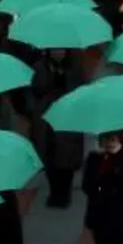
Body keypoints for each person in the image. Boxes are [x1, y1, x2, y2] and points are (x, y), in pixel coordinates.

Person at [31, 48, 87, 206]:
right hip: (46, 117)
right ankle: (55, 191)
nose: (58, 53)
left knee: (66, 156)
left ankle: (64, 192)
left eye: (61, 50)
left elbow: (80, 89)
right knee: (49, 154)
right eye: (55, 50)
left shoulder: (74, 68)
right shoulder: (40, 67)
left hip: (68, 116)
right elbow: (35, 90)